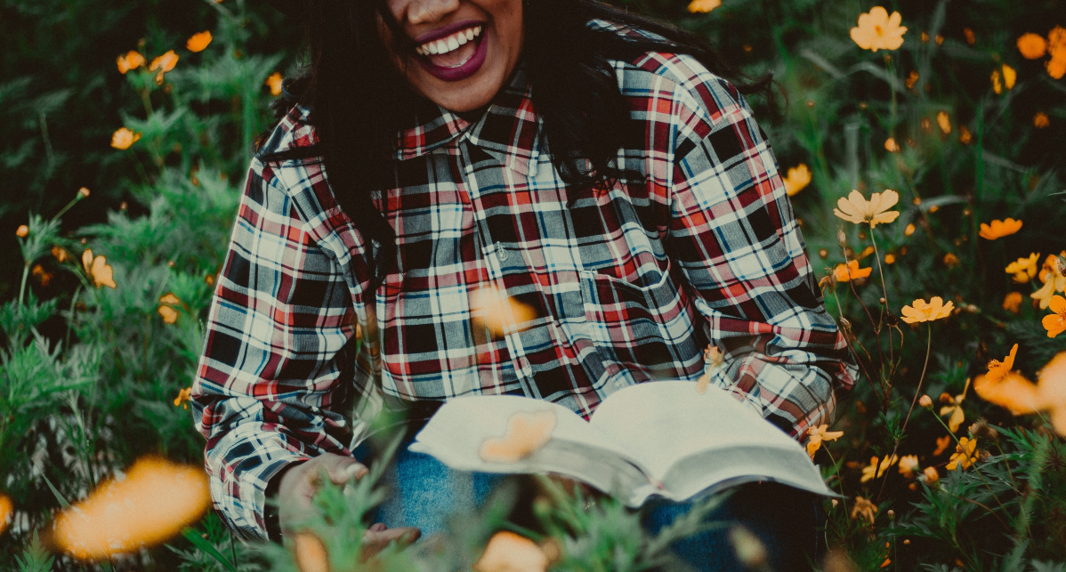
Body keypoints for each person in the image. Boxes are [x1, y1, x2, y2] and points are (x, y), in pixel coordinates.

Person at [191, 0, 857, 569]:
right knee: (433, 520)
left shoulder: (667, 98)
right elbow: (248, 405)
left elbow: (793, 345)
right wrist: (286, 484)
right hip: (455, 472)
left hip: (671, 467)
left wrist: (693, 448)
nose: (429, 9)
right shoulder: (311, 161)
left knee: (717, 532)